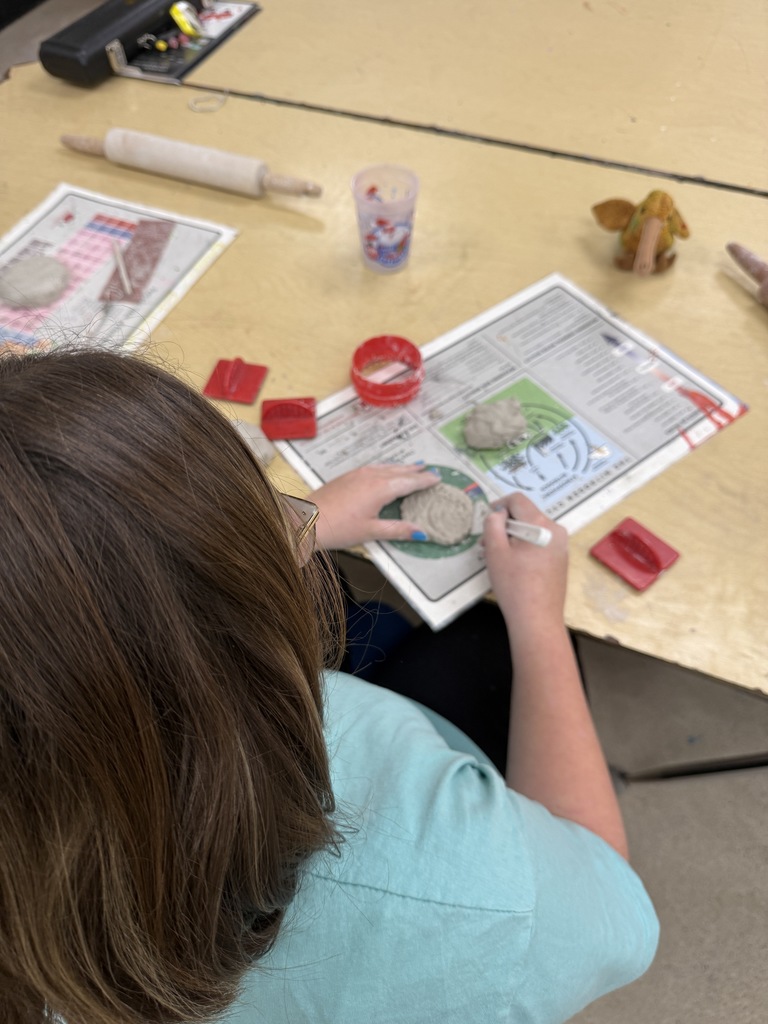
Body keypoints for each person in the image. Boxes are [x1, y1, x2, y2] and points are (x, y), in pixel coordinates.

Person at [0, 349, 658, 1024]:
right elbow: (610, 903)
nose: (293, 522)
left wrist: (276, 535)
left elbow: (75, 620)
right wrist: (539, 619)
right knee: (478, 644)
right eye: (272, 510)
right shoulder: (455, 868)